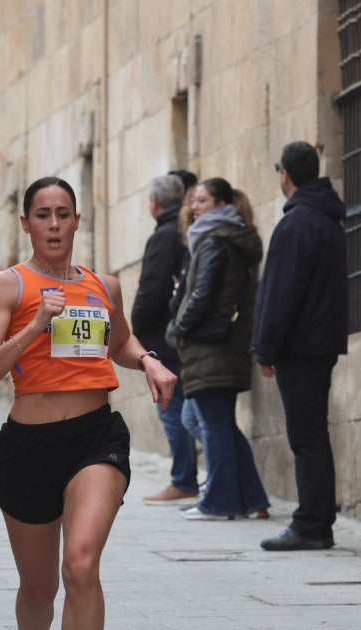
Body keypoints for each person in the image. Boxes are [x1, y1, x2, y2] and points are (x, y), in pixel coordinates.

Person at [0, 177, 176, 630]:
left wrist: (150, 364)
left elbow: (121, 342)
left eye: (63, 214)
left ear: (78, 221)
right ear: (27, 224)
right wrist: (32, 328)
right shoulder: (9, 286)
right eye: (43, 215)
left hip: (94, 437)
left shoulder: (101, 285)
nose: (54, 224)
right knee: (39, 588)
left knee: (81, 564)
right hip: (28, 445)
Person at [252, 141, 347, 551]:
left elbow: (281, 294)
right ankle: (319, 519)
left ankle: (311, 523)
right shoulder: (326, 220)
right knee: (314, 434)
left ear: (285, 175)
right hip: (320, 342)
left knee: (306, 436)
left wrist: (266, 349)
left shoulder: (296, 224)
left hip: (300, 347)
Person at [166, 177, 270, 522]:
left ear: (222, 206)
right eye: (194, 202)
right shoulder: (223, 239)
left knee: (212, 423)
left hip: (211, 345)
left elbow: (202, 294)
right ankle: (252, 497)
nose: (194, 208)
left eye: (202, 201)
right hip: (223, 344)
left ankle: (221, 501)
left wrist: (178, 328)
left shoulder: (214, 243)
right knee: (217, 422)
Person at [131, 173, 195, 505]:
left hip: (163, 336)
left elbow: (152, 288)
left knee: (170, 405)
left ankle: (183, 479)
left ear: (154, 203)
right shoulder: (183, 232)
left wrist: (136, 327)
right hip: (182, 334)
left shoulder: (163, 237)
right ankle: (187, 477)